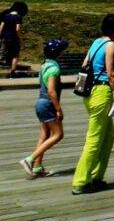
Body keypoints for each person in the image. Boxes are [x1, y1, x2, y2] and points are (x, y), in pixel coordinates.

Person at [72, 14, 114, 194]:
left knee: (108, 137)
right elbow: (111, 74)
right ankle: (81, 182)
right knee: (94, 139)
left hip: (89, 94)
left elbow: (84, 65)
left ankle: (96, 176)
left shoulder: (96, 42)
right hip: (102, 93)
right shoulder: (111, 45)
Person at [19, 38, 68, 178]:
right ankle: (29, 159)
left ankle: (37, 167)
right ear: (58, 53)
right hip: (48, 104)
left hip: (40, 102)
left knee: (44, 135)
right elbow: (52, 91)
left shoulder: (45, 65)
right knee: (58, 134)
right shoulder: (54, 68)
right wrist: (58, 109)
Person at [1, 1, 29, 78]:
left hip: (6, 37)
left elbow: (1, 27)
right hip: (14, 38)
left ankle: (6, 65)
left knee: (7, 52)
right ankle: (12, 72)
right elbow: (17, 29)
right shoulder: (18, 17)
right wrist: (19, 37)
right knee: (15, 55)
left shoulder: (6, 16)